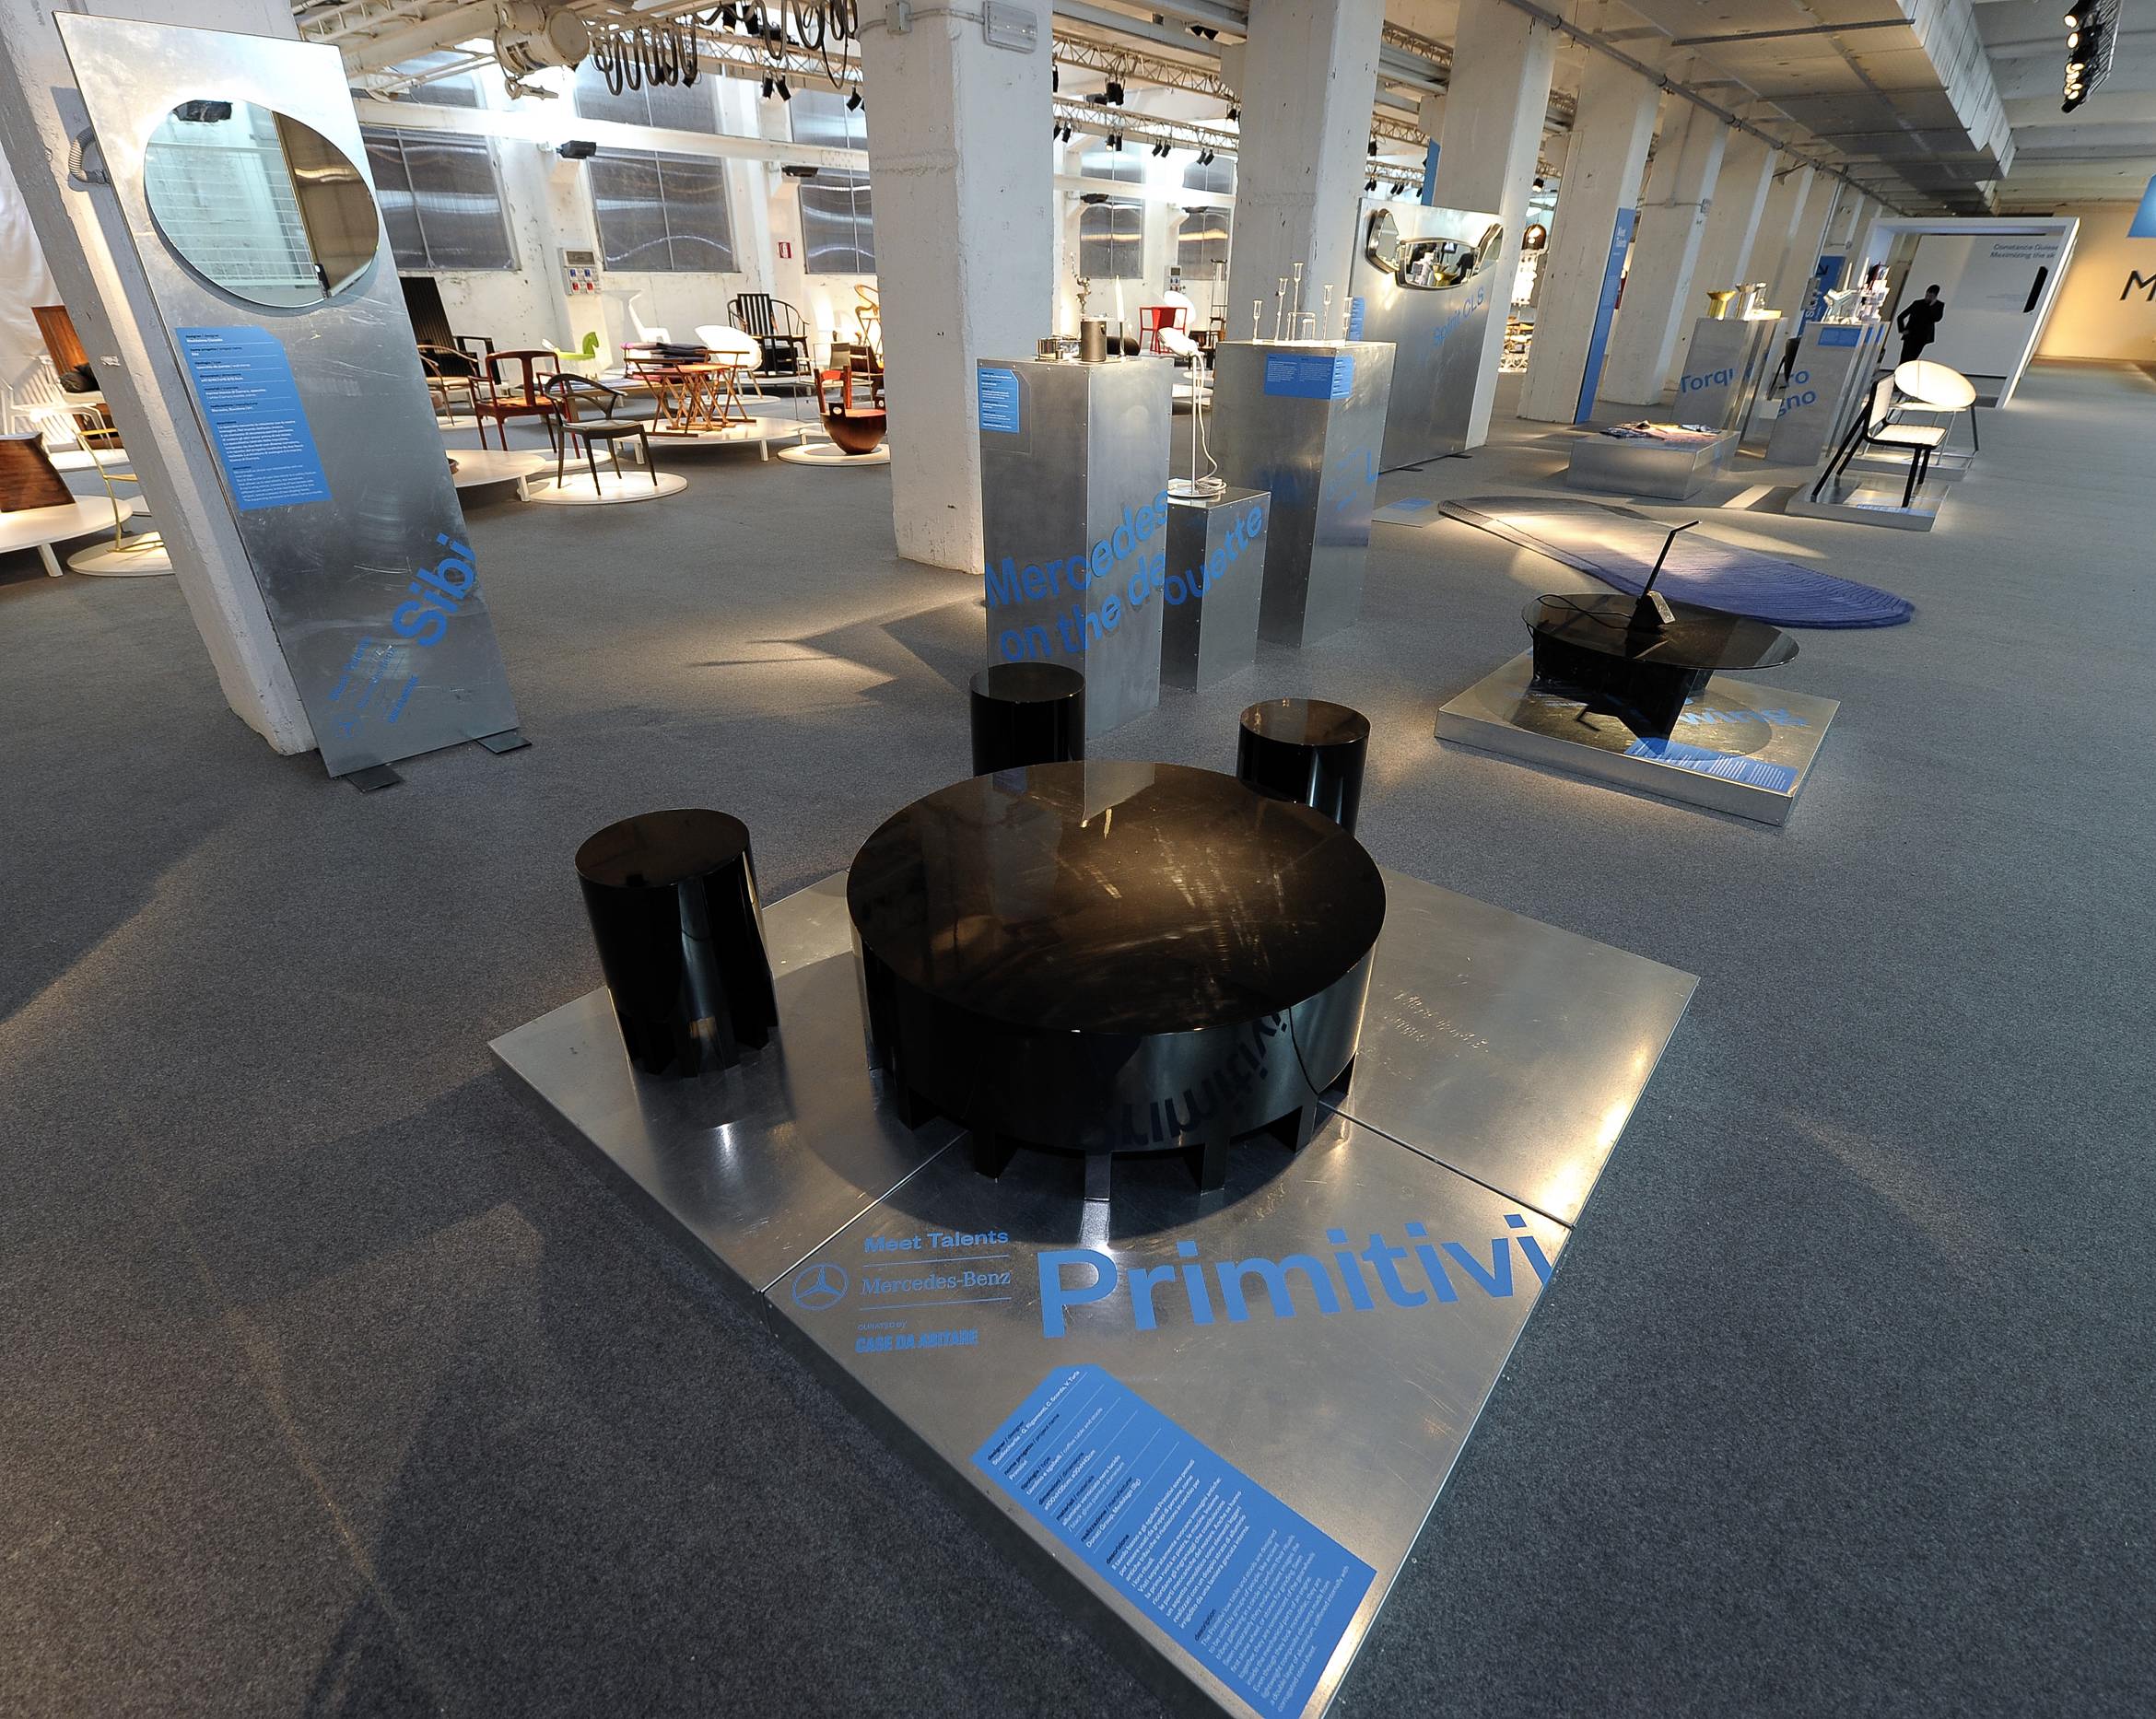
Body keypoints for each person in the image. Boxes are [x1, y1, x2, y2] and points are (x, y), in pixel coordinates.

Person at [1896, 284, 1945, 366]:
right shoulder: (1917, 303)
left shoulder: (1939, 305)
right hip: (1910, 334)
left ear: (1935, 296)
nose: (1928, 298)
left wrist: (1932, 306)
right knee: (1904, 357)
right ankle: (1899, 370)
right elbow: (1901, 316)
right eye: (1927, 295)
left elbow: (1937, 318)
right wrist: (1902, 329)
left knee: (1912, 358)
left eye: (1931, 296)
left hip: (1923, 336)